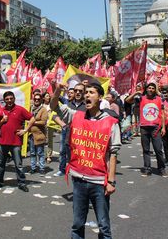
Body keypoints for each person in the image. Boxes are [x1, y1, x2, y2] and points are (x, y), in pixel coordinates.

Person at [51, 81, 121, 239]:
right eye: (86, 93)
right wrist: (57, 91)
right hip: (79, 180)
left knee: (104, 226)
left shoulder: (110, 122)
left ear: (100, 97)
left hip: (99, 182)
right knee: (77, 225)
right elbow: (54, 106)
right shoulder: (76, 116)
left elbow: (113, 153)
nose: (87, 95)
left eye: (91, 93)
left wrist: (111, 181)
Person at [0, 91, 35, 192]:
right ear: (4, 100)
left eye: (11, 98)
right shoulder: (0, 111)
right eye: (7, 99)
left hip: (15, 143)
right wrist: (2, 121)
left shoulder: (20, 110)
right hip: (2, 142)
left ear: (14, 98)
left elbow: (32, 118)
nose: (9, 101)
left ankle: (21, 183)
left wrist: (26, 130)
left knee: (18, 165)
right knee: (0, 164)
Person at [126, 83, 167, 177]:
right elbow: (128, 101)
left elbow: (163, 113)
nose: (151, 90)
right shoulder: (141, 98)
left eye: (153, 88)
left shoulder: (159, 99)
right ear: (146, 89)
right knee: (146, 149)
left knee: (158, 149)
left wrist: (163, 127)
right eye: (149, 88)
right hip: (144, 127)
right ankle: (147, 168)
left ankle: (161, 168)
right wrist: (136, 92)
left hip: (156, 128)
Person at [54, 83, 86, 177]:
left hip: (82, 138)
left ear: (84, 92)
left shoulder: (88, 106)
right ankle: (63, 169)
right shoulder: (67, 105)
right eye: (76, 91)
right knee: (64, 152)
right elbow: (54, 114)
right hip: (68, 136)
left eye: (80, 91)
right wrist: (63, 124)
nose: (78, 93)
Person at [28, 92, 48, 175]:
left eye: (38, 99)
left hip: (39, 134)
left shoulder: (43, 109)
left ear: (41, 100)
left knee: (40, 153)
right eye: (35, 99)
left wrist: (33, 122)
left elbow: (43, 122)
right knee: (32, 153)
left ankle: (42, 168)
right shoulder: (30, 108)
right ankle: (33, 168)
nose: (36, 100)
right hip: (31, 134)